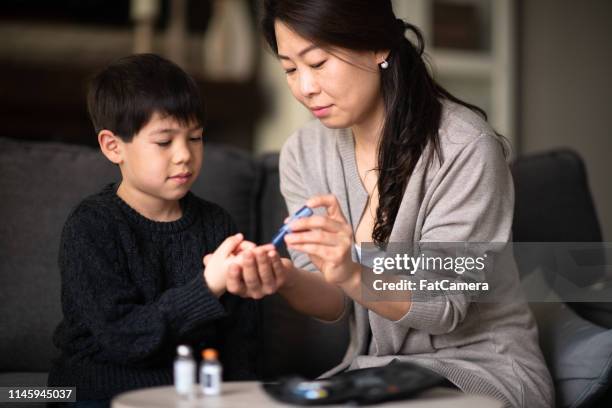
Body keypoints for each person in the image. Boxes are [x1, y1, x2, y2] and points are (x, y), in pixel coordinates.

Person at [224, 1, 554, 407]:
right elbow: (333, 301)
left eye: (319, 62)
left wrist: (350, 270)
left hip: (480, 372)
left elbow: (443, 305)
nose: (304, 87)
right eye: (290, 69)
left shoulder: (465, 148)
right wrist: (282, 277)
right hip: (377, 374)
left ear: (378, 46)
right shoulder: (304, 152)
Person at [47, 54, 263, 406]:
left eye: (195, 138)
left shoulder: (217, 224)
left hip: (188, 393)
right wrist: (207, 286)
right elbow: (123, 337)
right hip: (95, 389)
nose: (184, 155)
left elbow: (241, 341)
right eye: (165, 142)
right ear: (112, 146)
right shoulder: (91, 227)